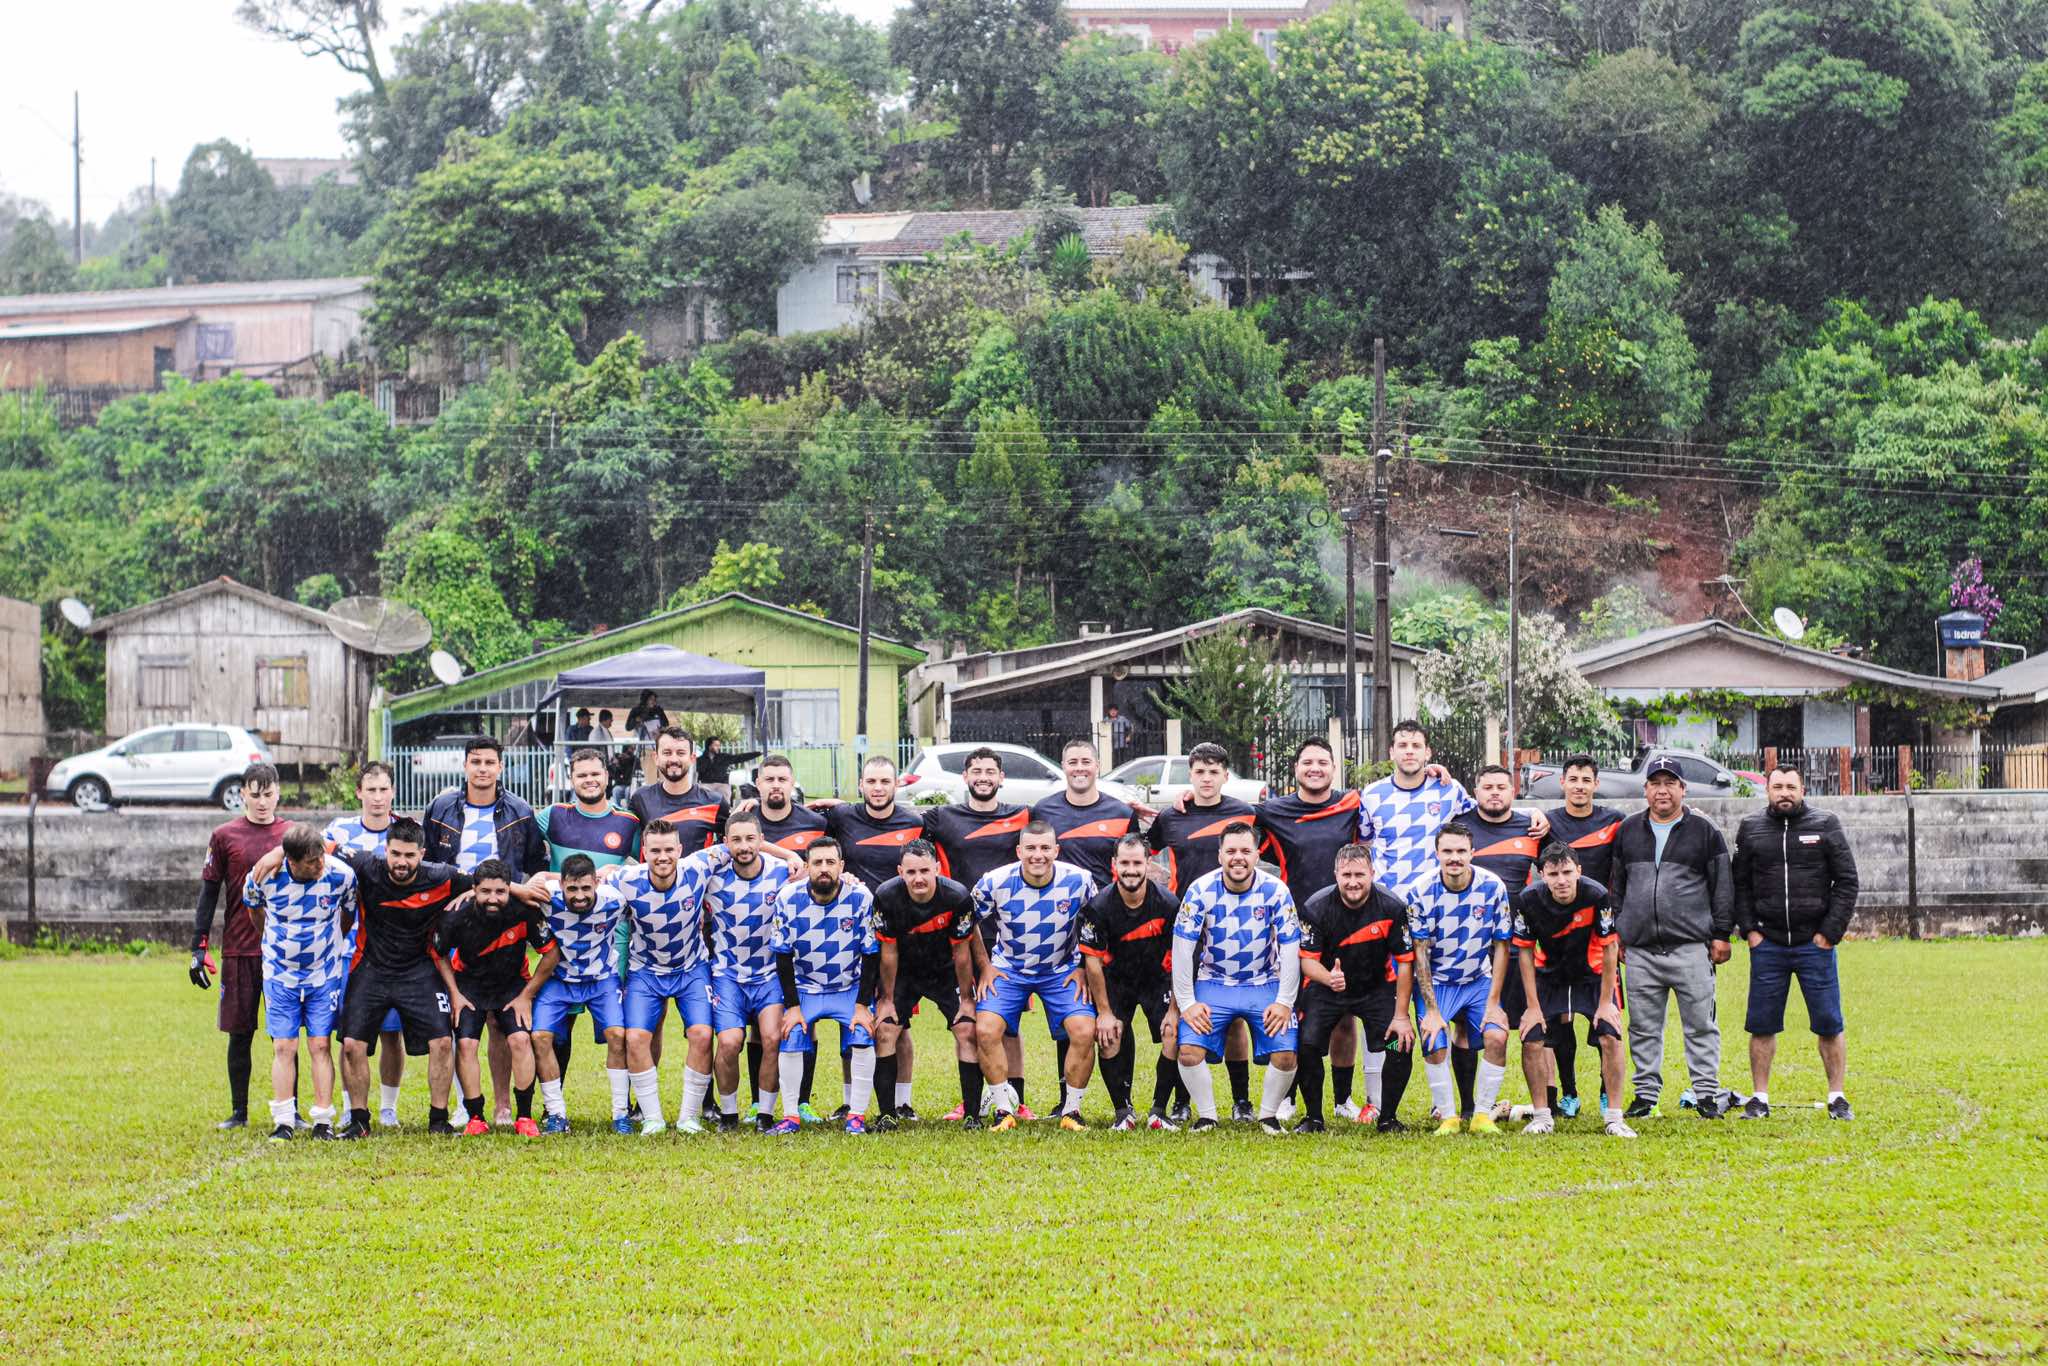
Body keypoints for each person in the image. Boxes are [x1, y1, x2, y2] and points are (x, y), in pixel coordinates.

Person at [269, 816, 488, 1139]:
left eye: (409, 855)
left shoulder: (441, 876)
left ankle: (438, 1119)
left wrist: (528, 890)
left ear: (422, 853)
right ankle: (359, 1120)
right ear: (385, 850)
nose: (401, 862)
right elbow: (312, 843)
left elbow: (488, 883)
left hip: (419, 969)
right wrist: (274, 854)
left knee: (442, 1042)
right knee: (351, 1045)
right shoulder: (365, 865)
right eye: (395, 854)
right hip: (371, 967)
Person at [1244, 739, 1376, 1126]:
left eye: (1322, 762)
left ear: (1334, 769)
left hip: (1348, 920)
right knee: (1293, 1009)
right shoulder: (1273, 811)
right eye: (1307, 762)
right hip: (1293, 925)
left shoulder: (1352, 804)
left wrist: (1438, 772)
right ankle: (1286, 1094)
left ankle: (1342, 1099)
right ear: (1296, 768)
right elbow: (1228, 820)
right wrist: (1187, 797)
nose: (1314, 768)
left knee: (1345, 1014)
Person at [423, 735, 548, 1126]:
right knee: (466, 1023)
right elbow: (430, 863)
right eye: (475, 762)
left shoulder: (520, 810)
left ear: (500, 768)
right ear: (465, 766)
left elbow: (531, 864)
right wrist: (457, 897)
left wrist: (508, 893)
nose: (482, 769)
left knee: (504, 1025)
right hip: (459, 919)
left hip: (501, 913)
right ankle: (467, 1106)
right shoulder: (442, 807)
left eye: (489, 762)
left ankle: (504, 1106)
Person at [1609, 757, 1735, 1120]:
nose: (1662, 790)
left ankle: (1706, 1094)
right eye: (1655, 783)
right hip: (1640, 951)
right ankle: (1646, 1096)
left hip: (1691, 948)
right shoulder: (1629, 830)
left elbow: (1722, 886)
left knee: (1700, 1025)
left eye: (1670, 783)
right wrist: (1620, 928)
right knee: (1644, 1028)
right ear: (1645, 789)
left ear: (1683, 789)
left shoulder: (1704, 831)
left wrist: (1721, 934)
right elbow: (1617, 884)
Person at [1732, 765, 1860, 1121]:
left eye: (1791, 787)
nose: (1784, 793)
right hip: (1768, 944)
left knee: (1829, 1022)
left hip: (1813, 945)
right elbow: (1738, 884)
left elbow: (1847, 881)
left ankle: (1837, 1097)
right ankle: (1759, 1098)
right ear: (1768, 791)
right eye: (1777, 787)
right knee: (1761, 1024)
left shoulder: (1825, 824)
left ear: (1803, 789)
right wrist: (1750, 931)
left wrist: (1829, 933)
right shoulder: (1751, 828)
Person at [963, 820, 1101, 1131]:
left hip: (1062, 969)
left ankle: (1071, 1112)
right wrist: (985, 965)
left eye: (1044, 848)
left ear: (1056, 850)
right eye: (1030, 848)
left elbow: (1096, 922)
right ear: (1018, 851)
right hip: (1009, 967)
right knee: (985, 1030)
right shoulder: (995, 881)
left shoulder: (1079, 880)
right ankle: (1002, 1111)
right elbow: (966, 919)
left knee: (1083, 1030)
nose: (1037, 855)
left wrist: (1082, 966)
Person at [1144, 742, 1258, 1119]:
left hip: (1237, 928)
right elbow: (1145, 850)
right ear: (1189, 776)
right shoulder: (1172, 816)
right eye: (1200, 772)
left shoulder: (1245, 814)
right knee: (1182, 1011)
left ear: (1226, 776)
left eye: (1214, 772)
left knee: (1237, 1017)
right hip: (1185, 928)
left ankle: (1241, 1101)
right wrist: (1159, 882)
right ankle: (1180, 1100)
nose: (1207, 778)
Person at [919, 747, 1033, 1119]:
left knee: (1008, 1024)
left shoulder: (1022, 817)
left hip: (1011, 936)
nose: (983, 777)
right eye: (976, 771)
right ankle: (970, 1100)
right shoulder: (941, 818)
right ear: (965, 777)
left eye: (990, 771)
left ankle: (1017, 1101)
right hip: (959, 935)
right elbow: (890, 823)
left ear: (1002, 778)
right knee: (967, 1022)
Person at [1172, 822, 1301, 1135]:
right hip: (1214, 983)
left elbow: (1291, 948)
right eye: (1231, 851)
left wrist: (1284, 1002)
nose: (1238, 857)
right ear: (1220, 855)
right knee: (1188, 1052)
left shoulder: (1277, 891)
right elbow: (1182, 949)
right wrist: (1187, 1003)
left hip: (1264, 983)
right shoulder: (1200, 890)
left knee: (1286, 1055)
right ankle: (1207, 1116)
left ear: (1257, 855)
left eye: (1245, 850)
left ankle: (1267, 1116)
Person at [189, 763, 290, 1130]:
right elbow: (208, 892)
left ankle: (288, 1111)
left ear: (278, 793)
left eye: (268, 793)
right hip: (239, 949)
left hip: (285, 952)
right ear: (242, 794)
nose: (262, 801)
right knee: (240, 1033)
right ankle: (239, 1112)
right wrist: (198, 946)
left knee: (286, 1037)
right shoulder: (224, 835)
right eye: (255, 793)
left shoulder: (292, 835)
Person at [1512, 844, 1635, 1138]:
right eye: (1553, 874)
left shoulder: (1596, 895)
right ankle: (1542, 1116)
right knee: (1531, 1038)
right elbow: (1525, 953)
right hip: (1550, 975)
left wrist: (1606, 1002)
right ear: (1541, 874)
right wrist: (1532, 1006)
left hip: (1591, 974)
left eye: (1567, 872)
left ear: (1579, 871)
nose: (1561, 880)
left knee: (1611, 1034)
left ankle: (1615, 1118)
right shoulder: (1527, 899)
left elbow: (1610, 948)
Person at [242, 823, 355, 1141]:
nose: (320, 865)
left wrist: (330, 944)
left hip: (324, 973)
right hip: (280, 974)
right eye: (311, 862)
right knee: (283, 1046)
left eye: (321, 858)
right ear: (291, 861)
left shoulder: (341, 875)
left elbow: (347, 915)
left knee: (320, 1044)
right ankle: (284, 1120)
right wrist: (275, 944)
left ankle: (323, 1121)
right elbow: (254, 912)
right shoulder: (264, 877)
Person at [1294, 843, 1417, 1133]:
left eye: (1360, 874)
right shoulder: (1315, 907)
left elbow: (1406, 963)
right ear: (1335, 874)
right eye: (1346, 874)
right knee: (1308, 1045)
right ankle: (1313, 1117)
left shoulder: (1392, 906)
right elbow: (1307, 962)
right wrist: (1329, 978)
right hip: (1327, 988)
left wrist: (1401, 1016)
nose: (1353, 882)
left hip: (1375, 990)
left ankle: (1388, 1117)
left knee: (1396, 1045)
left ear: (1372, 873)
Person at [432, 859, 559, 1137]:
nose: (493, 898)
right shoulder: (456, 914)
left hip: (512, 985)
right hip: (469, 986)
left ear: (509, 890)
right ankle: (475, 1117)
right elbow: (438, 953)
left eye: (500, 892)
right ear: (474, 890)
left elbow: (551, 953)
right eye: (486, 891)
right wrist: (454, 993)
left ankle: (524, 1117)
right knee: (466, 1044)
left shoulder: (525, 911)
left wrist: (527, 995)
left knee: (520, 1039)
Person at [1404, 821, 1515, 1135]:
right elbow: (1420, 954)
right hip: (1438, 982)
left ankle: (1482, 1115)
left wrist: (1494, 1002)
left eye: (1461, 851)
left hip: (1478, 980)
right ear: (1437, 853)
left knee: (1497, 1035)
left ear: (1473, 853)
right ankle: (1450, 1117)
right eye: (1448, 851)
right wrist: (1432, 1011)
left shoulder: (1493, 887)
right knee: (1434, 1039)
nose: (1455, 857)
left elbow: (1502, 946)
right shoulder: (1421, 890)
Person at [767, 839, 882, 1134]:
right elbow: (782, 955)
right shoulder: (788, 897)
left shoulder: (861, 897)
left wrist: (862, 1004)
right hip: (806, 987)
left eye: (830, 863)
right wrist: (792, 1007)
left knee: (862, 1032)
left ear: (841, 867)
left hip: (849, 987)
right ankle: (791, 1116)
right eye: (817, 863)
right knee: (790, 1032)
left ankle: (856, 1116)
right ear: (807, 867)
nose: (824, 869)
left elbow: (871, 954)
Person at [703, 810, 803, 1131]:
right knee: (730, 1042)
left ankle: (764, 1116)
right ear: (725, 844)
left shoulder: (782, 873)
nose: (744, 847)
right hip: (728, 976)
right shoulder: (712, 877)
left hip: (769, 975)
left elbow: (820, 877)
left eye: (750, 839)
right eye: (736, 840)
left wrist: (789, 856)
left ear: (762, 840)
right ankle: (729, 1116)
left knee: (773, 1038)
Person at [869, 840, 979, 1131]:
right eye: (911, 872)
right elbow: (888, 953)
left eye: (925, 871)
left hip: (945, 971)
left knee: (967, 1028)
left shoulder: (957, 896)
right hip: (904, 971)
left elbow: (962, 953)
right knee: (886, 1029)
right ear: (900, 872)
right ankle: (887, 1114)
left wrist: (967, 999)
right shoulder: (886, 896)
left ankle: (972, 1115)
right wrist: (887, 999)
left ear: (937, 869)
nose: (918, 878)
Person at [1541, 753, 1628, 1118]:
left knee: (1604, 1016)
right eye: (1572, 778)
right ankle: (1569, 1093)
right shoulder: (1545, 824)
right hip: (1559, 936)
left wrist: (1620, 925)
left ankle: (1608, 1093)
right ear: (1562, 783)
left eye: (1585, 779)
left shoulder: (1615, 822)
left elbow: (1623, 874)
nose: (1579, 785)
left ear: (1596, 784)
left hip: (1600, 934)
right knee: (1560, 1019)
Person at [1078, 834, 1185, 1131]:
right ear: (1114, 864)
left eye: (1137, 863)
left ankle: (1159, 1111)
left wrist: (1175, 1011)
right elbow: (1093, 963)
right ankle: (1122, 1112)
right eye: (1124, 863)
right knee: (1109, 1035)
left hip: (1156, 979)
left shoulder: (1167, 903)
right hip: (1117, 981)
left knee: (1174, 1033)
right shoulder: (1098, 907)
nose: (1131, 869)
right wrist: (1104, 1013)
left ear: (1148, 864)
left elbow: (1179, 959)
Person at [321, 762, 408, 1127]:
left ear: (392, 792)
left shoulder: (406, 831)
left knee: (391, 1033)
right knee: (350, 1033)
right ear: (359, 792)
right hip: (347, 949)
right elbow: (313, 861)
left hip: (393, 949)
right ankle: (349, 1106)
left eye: (383, 789)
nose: (377, 798)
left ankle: (388, 1109)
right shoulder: (338, 831)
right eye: (370, 790)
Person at [529, 855, 631, 1134]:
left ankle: (621, 1113)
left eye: (586, 888)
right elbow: (513, 887)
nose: (580, 896)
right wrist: (540, 876)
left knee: (618, 1036)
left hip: (601, 978)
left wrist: (617, 870)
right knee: (539, 1037)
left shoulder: (614, 899)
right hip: (559, 979)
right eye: (572, 889)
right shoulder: (546, 897)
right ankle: (556, 1113)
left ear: (597, 882)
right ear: (561, 884)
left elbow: (640, 878)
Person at [1466, 764, 1542, 1123]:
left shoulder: (1532, 827)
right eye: (1487, 787)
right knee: (1469, 1029)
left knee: (1531, 1026)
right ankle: (1468, 1106)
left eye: (1501, 786)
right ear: (1476, 791)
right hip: (1470, 949)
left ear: (1513, 792)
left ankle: (1548, 1103)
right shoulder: (1460, 827)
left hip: (1519, 946)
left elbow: (1555, 873)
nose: (1494, 792)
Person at [1033, 738, 1137, 887]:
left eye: (1086, 762)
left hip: (1104, 904)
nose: (1079, 768)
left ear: (1097, 766)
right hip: (1056, 903)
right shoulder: (1042, 811)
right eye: (1073, 762)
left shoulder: (1123, 814)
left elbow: (1138, 863)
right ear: (1063, 766)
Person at [627, 726, 727, 851]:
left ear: (692, 759)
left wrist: (755, 801)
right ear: (656, 758)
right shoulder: (641, 799)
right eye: (667, 753)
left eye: (680, 753)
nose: (674, 759)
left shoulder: (715, 802)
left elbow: (734, 843)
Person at [696, 736, 763, 803]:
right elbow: (698, 772)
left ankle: (725, 811)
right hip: (706, 785)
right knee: (703, 796)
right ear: (709, 746)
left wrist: (757, 753)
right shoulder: (700, 760)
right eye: (716, 745)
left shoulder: (724, 757)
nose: (718, 747)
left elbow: (740, 757)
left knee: (724, 797)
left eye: (719, 745)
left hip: (722, 784)